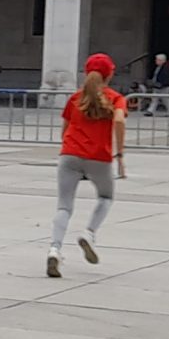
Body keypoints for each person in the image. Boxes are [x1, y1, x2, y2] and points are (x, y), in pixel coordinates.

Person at [46, 53, 127, 278]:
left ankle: (54, 250)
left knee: (64, 207)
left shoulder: (75, 98)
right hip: (98, 157)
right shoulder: (115, 98)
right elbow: (119, 120)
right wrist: (120, 154)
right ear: (109, 75)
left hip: (70, 154)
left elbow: (65, 129)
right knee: (105, 197)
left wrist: (69, 147)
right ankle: (89, 233)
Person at [147, 52, 169, 116]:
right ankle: (150, 111)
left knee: (165, 100)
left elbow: (165, 77)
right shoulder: (158, 67)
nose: (155, 61)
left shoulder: (165, 68)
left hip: (163, 86)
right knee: (155, 99)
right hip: (157, 86)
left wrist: (161, 84)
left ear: (161, 61)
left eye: (157, 60)